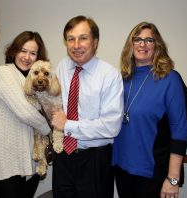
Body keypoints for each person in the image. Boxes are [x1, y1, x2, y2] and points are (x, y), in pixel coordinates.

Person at [112, 22, 187, 198]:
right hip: (122, 169)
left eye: (149, 40)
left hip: (152, 174)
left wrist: (173, 179)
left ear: (157, 46)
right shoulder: (122, 79)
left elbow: (180, 132)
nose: (142, 44)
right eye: (137, 39)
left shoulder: (170, 79)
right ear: (130, 45)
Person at [51, 15, 124, 198]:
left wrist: (68, 125)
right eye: (71, 39)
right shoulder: (61, 67)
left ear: (95, 42)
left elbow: (111, 126)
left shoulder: (109, 76)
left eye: (83, 38)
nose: (76, 45)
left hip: (94, 160)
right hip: (63, 157)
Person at [0, 31, 51, 198]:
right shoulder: (4, 72)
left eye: (33, 53)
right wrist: (50, 130)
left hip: (31, 161)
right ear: (14, 51)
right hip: (7, 161)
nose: (27, 57)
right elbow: (25, 112)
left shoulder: (34, 79)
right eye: (23, 51)